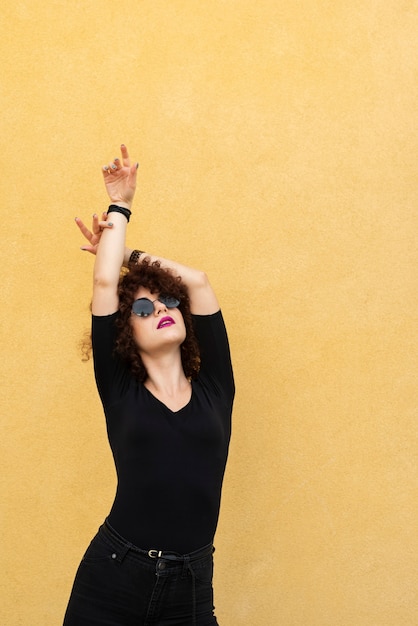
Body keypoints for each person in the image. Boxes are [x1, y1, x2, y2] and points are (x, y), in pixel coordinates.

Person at [63, 145, 235, 626]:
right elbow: (102, 287)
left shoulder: (216, 389)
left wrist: (129, 256)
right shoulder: (120, 389)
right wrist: (121, 206)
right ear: (126, 334)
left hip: (193, 586)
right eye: (142, 309)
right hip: (115, 576)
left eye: (165, 302)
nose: (159, 310)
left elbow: (198, 282)